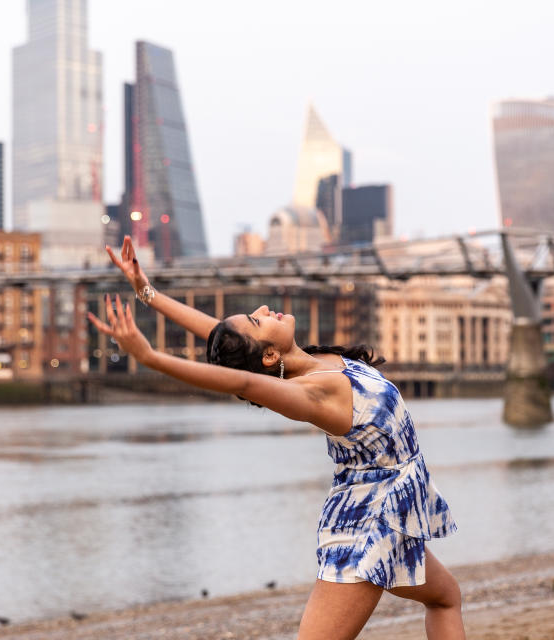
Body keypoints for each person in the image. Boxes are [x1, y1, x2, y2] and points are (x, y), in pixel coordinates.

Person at [88, 237, 465, 640]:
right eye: (256, 320)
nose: (264, 310)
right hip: (365, 528)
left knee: (445, 598)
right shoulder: (310, 392)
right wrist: (150, 358)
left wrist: (148, 292)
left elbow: (221, 336)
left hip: (390, 513)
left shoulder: (320, 364)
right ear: (269, 356)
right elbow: (243, 379)